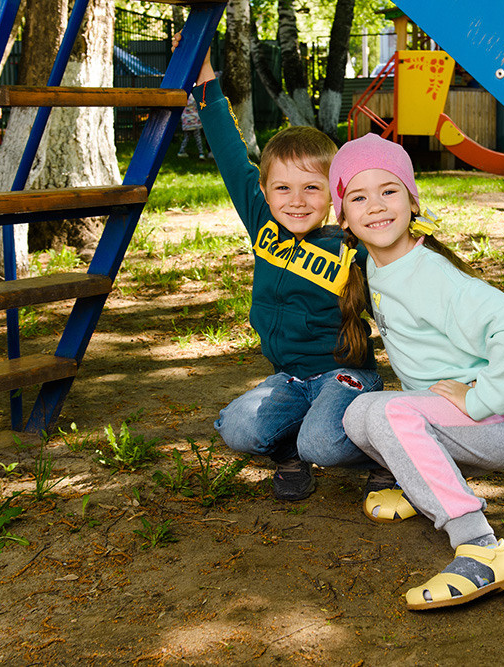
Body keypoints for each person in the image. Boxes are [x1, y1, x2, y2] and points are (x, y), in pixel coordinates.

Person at [330, 133, 504, 611]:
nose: (376, 206)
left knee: (384, 415)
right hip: (452, 419)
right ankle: (419, 483)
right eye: (358, 197)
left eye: (389, 190)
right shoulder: (375, 263)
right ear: (342, 216)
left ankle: (481, 548)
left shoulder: (430, 275)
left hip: (494, 424)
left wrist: (482, 399)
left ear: (412, 199)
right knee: (358, 414)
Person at [172, 35, 388, 502]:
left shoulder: (355, 249)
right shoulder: (264, 228)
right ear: (266, 194)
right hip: (288, 378)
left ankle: (383, 449)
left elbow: (412, 304)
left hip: (345, 377)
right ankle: (290, 451)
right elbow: (231, 156)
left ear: (334, 195)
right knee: (236, 428)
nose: (296, 201)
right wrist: (203, 79)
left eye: (312, 188)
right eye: (283, 188)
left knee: (325, 443)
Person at [177, 92, 210, 160]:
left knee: (186, 138)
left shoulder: (183, 98)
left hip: (187, 122)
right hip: (195, 122)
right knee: (198, 138)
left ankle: (181, 151)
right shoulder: (195, 97)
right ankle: (201, 153)